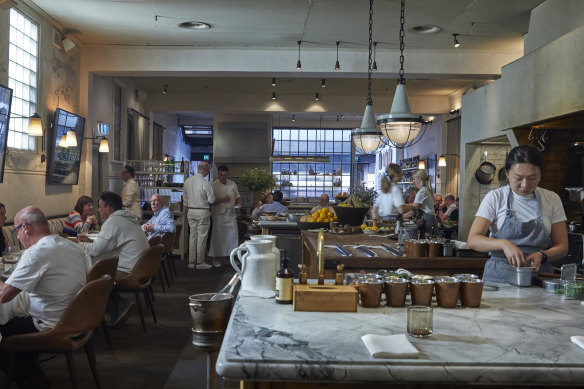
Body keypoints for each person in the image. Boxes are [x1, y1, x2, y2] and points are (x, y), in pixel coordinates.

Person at [0, 206, 87, 387]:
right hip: (79, 321)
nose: (17, 236)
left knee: (4, 333)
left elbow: (4, 296)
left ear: (26, 227)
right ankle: (33, 371)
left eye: (16, 230)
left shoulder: (36, 253)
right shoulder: (73, 247)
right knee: (17, 316)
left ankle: (32, 380)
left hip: (53, 327)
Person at [468, 145, 569, 282]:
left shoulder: (551, 199)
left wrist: (543, 255)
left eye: (532, 178)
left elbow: (562, 246)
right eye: (518, 178)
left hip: (538, 279)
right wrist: (504, 244)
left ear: (540, 176)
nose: (525, 185)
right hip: (499, 279)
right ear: (507, 174)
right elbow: (473, 240)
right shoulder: (495, 197)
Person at [78, 191, 149, 325]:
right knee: (98, 272)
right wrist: (90, 242)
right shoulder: (126, 218)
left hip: (130, 271)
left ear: (109, 208)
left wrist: (79, 244)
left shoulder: (113, 221)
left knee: (91, 277)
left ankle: (106, 312)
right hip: (139, 267)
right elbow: (104, 247)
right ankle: (119, 304)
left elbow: (96, 251)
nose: (98, 210)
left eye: (100, 206)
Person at [183, 161, 215, 270]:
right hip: (202, 211)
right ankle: (200, 262)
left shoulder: (187, 181)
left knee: (192, 236)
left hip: (191, 211)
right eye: (208, 170)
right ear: (205, 170)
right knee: (201, 238)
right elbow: (212, 200)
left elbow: (185, 199)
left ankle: (191, 262)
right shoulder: (205, 183)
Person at [208, 165, 241, 265]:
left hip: (231, 214)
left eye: (225, 175)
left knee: (233, 236)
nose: (223, 177)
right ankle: (215, 258)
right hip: (219, 215)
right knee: (217, 237)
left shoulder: (232, 184)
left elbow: (238, 197)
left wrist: (239, 203)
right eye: (221, 175)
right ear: (218, 174)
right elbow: (211, 202)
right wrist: (223, 199)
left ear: (227, 174)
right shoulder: (213, 185)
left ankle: (231, 257)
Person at [409, 169, 439, 234]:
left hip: (428, 221)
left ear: (419, 178)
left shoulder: (422, 191)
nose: (413, 182)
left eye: (414, 179)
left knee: (427, 241)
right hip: (429, 219)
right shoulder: (425, 189)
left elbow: (415, 206)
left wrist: (402, 215)